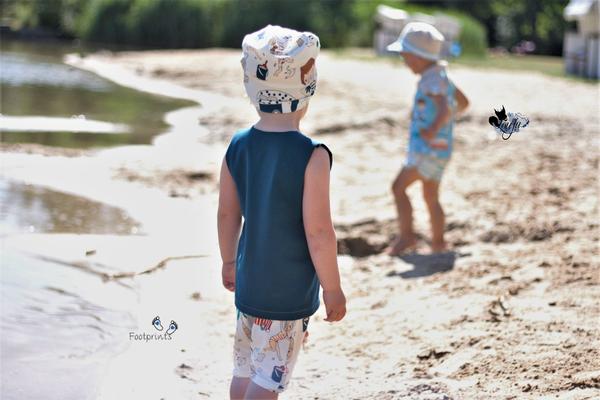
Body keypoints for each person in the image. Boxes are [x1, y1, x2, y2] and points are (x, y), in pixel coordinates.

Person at [217, 25, 346, 400]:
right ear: (307, 91)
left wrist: (229, 262)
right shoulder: (312, 155)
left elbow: (227, 215)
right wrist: (332, 288)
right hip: (286, 295)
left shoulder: (238, 146)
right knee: (269, 379)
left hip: (249, 285)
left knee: (245, 368)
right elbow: (319, 232)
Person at [385, 22, 470, 255]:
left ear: (419, 57)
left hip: (426, 150)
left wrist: (433, 126)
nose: (404, 61)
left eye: (406, 56)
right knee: (431, 196)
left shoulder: (432, 80)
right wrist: (441, 120)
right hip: (440, 150)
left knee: (398, 188)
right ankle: (438, 242)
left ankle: (406, 238)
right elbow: (462, 103)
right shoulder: (442, 76)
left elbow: (444, 107)